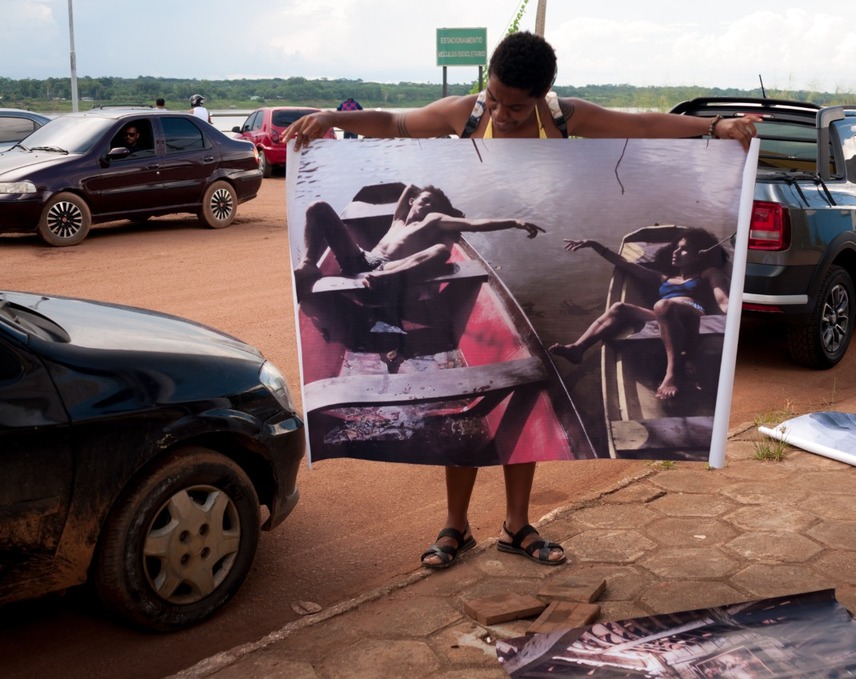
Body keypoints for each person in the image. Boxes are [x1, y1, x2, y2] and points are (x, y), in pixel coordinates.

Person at [283, 31, 759, 571]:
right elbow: (394, 123)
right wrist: (331, 118)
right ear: (488, 79)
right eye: (497, 98)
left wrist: (716, 127)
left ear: (543, 95)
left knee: (529, 391)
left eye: (518, 106)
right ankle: (456, 528)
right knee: (460, 415)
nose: (504, 115)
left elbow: (644, 125)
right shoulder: (467, 113)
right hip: (440, 258)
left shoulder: (563, 117)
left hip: (532, 250)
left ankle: (516, 525)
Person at [549, 227, 729, 399]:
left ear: (701, 254)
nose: (676, 252)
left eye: (684, 249)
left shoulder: (708, 273)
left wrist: (733, 314)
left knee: (663, 305)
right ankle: (578, 348)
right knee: (619, 307)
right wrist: (594, 245)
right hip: (664, 315)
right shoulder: (665, 279)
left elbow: (723, 300)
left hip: (695, 315)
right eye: (677, 248)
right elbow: (625, 264)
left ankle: (672, 373)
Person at [293, 183, 543, 297]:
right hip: (361, 257)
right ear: (412, 202)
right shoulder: (398, 220)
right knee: (318, 207)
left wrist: (514, 221)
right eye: (424, 201)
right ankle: (308, 265)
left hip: (388, 269)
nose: (427, 206)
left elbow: (474, 225)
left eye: (433, 204)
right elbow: (408, 190)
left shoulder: (433, 220)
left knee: (441, 252)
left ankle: (383, 281)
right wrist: (418, 191)